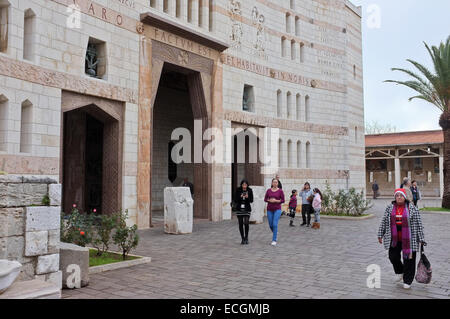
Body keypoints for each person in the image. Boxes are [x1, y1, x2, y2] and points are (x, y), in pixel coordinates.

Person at [377, 188, 426, 289]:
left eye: (401, 196)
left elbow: (419, 224)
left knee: (409, 260)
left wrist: (421, 238)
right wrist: (380, 234)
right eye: (397, 196)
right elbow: (384, 222)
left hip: (409, 238)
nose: (399, 197)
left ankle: (408, 280)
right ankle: (400, 271)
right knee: (393, 257)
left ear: (404, 197)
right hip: (394, 238)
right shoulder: (389, 208)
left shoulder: (412, 208)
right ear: (395, 197)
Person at [264, 178, 285, 246]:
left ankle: (274, 239)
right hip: (269, 209)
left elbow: (283, 200)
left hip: (277, 209)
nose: (275, 183)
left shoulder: (280, 191)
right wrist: (269, 200)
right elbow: (265, 199)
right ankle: (275, 232)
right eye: (274, 182)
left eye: (276, 182)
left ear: (278, 183)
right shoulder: (268, 190)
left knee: (275, 224)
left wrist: (276, 201)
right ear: (272, 183)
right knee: (270, 224)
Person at [234, 180, 254, 245]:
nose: (244, 186)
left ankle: (246, 237)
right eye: (243, 185)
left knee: (246, 223)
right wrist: (240, 196)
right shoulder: (238, 190)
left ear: (247, 185)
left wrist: (247, 197)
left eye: (245, 185)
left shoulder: (250, 190)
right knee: (240, 223)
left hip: (247, 208)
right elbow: (235, 199)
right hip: (239, 208)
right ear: (241, 185)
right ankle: (242, 238)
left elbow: (251, 200)